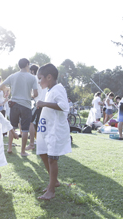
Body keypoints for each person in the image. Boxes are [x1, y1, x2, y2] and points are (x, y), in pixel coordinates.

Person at [35, 63, 71, 200]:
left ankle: (51, 190)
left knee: (52, 159)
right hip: (47, 129)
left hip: (55, 130)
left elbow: (63, 106)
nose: (39, 81)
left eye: (40, 78)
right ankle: (54, 181)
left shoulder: (58, 89)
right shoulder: (50, 90)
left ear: (49, 77)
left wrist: (43, 104)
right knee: (43, 154)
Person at [0, 58, 38, 156]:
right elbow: (36, 94)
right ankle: (23, 151)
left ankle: (9, 148)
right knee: (25, 129)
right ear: (27, 65)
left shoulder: (13, 76)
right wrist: (30, 95)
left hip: (14, 104)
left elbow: (0, 87)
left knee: (12, 126)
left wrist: (7, 90)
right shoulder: (32, 77)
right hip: (26, 105)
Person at [26, 64, 47, 151]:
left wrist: (29, 95)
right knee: (40, 124)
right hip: (45, 103)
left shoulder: (33, 78)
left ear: (32, 71)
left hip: (38, 104)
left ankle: (31, 144)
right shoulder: (42, 78)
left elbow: (35, 94)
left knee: (31, 123)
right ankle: (40, 142)